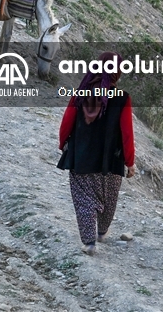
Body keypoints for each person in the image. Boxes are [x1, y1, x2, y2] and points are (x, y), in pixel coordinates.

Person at [57, 52, 136, 256]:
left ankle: (89, 242)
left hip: (82, 156)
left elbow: (67, 122)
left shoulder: (81, 93)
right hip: (111, 160)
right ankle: (101, 232)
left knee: (84, 199)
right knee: (109, 198)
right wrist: (130, 162)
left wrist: (63, 144)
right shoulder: (122, 98)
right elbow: (127, 132)